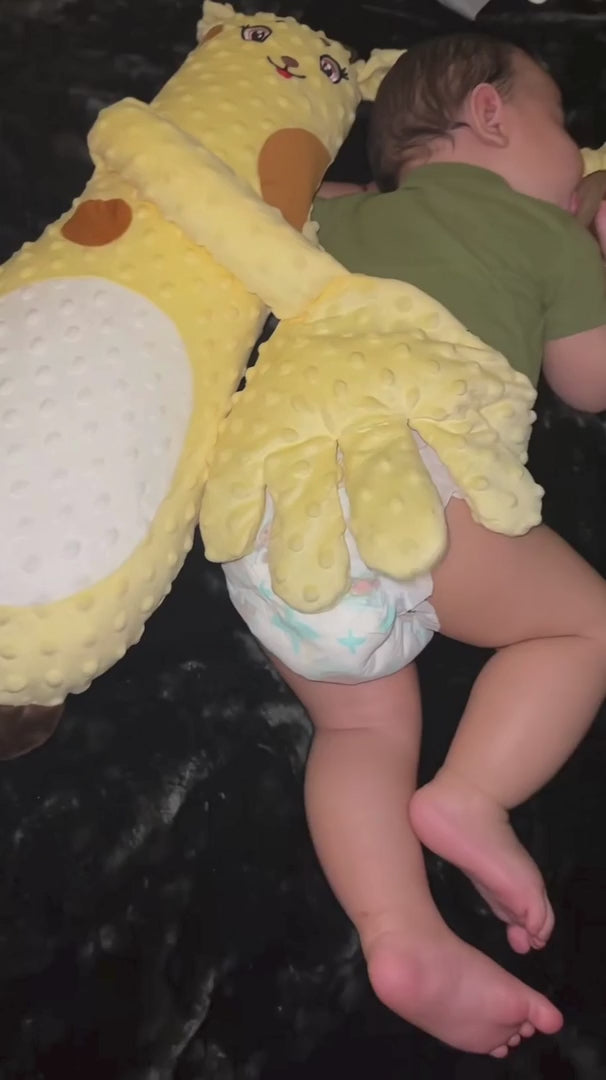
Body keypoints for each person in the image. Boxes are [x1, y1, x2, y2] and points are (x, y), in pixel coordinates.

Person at [222, 34, 606, 1056]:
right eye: (565, 124)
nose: (578, 154)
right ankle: (472, 796)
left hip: (275, 517)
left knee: (358, 730)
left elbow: (289, 202)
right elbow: (590, 383)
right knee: (584, 628)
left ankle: (400, 932)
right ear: (491, 115)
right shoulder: (547, 234)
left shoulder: (342, 219)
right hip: (416, 480)